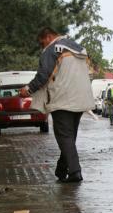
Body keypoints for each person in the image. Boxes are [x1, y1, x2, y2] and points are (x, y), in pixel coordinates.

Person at [20, 27, 95, 183]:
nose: (42, 46)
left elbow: (43, 75)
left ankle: (75, 172)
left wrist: (28, 90)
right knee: (69, 136)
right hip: (81, 98)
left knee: (64, 136)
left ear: (48, 37)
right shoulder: (77, 47)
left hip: (63, 99)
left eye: (42, 43)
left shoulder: (51, 50)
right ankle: (61, 170)